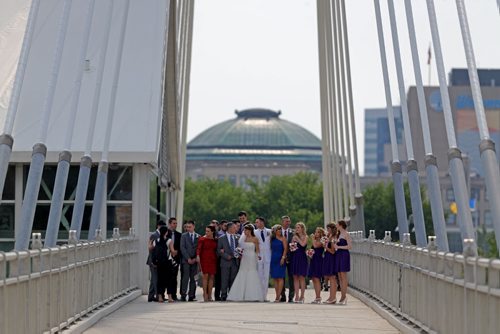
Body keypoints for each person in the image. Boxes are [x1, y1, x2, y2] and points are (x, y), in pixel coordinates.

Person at [227, 224, 264, 302]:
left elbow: (257, 250)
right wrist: (239, 253)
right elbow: (240, 248)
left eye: (246, 230)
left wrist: (257, 257)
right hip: (244, 258)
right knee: (242, 272)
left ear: (250, 230)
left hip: (252, 257)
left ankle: (252, 295)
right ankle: (239, 294)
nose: (244, 231)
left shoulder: (255, 239)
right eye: (244, 230)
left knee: (252, 273)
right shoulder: (243, 239)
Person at [151, 226, 177, 303]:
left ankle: (160, 297)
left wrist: (149, 243)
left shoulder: (156, 241)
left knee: (160, 279)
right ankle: (169, 297)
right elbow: (172, 252)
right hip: (167, 262)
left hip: (159, 263)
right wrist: (175, 252)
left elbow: (151, 249)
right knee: (169, 280)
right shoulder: (169, 240)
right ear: (166, 232)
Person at [217, 222, 240, 301]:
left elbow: (239, 248)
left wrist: (238, 254)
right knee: (224, 279)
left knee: (233, 279)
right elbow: (218, 250)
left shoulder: (238, 237)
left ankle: (232, 294)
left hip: (235, 261)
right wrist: (226, 256)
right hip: (225, 262)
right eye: (234, 228)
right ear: (230, 228)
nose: (236, 229)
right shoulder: (221, 238)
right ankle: (223, 294)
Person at [196, 225, 218, 302]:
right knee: (205, 277)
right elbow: (198, 248)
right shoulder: (202, 239)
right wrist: (198, 255)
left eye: (208, 231)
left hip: (213, 259)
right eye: (206, 231)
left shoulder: (215, 240)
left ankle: (210, 295)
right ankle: (205, 294)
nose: (206, 232)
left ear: (212, 232)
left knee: (212, 277)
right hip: (204, 259)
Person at [180, 220, 199, 302]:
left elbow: (199, 249)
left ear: (194, 227)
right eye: (187, 227)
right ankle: (183, 295)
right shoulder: (183, 236)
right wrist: (188, 258)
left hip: (194, 261)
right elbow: (182, 248)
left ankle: (191, 295)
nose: (188, 228)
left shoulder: (198, 236)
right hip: (186, 260)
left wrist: (194, 259)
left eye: (190, 227)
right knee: (185, 278)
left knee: (193, 279)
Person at [147, 220, 166, 302]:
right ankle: (158, 296)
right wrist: (152, 261)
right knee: (156, 279)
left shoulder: (161, 235)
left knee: (153, 279)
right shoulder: (154, 235)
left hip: (158, 260)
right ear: (158, 226)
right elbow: (151, 250)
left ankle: (151, 296)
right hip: (153, 260)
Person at [334, 220, 351, 305]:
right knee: (339, 275)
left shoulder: (346, 234)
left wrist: (339, 246)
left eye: (337, 224)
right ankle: (342, 295)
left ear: (341, 225)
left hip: (344, 255)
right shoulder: (338, 234)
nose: (336, 225)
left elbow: (349, 246)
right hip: (338, 254)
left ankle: (344, 296)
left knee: (343, 275)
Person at [270, 224, 288, 302]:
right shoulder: (272, 239)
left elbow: (285, 249)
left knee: (280, 277)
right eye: (278, 229)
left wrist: (283, 258)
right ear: (275, 231)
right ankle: (276, 295)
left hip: (281, 259)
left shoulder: (283, 238)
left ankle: (278, 296)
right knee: (275, 278)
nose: (280, 231)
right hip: (273, 259)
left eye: (280, 229)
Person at [291, 222, 308, 303]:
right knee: (295, 277)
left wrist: (298, 239)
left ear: (302, 228)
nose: (296, 229)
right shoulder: (294, 237)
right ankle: (296, 295)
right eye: (296, 227)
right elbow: (292, 248)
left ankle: (302, 296)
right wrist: (292, 244)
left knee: (302, 277)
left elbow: (303, 244)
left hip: (302, 257)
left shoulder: (305, 236)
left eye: (298, 227)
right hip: (295, 257)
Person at [308, 227, 326, 304]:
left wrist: (312, 239)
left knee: (317, 278)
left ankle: (318, 297)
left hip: (319, 260)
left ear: (321, 233)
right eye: (316, 232)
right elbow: (313, 248)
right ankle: (317, 296)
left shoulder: (322, 240)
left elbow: (316, 246)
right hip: (313, 260)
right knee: (314, 278)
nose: (316, 233)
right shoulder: (315, 240)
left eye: (318, 232)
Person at [280, 215, 294, 302]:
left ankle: (291, 296)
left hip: (291, 258)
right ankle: (282, 295)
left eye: (289, 221)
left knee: (291, 277)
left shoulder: (293, 232)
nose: (288, 223)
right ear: (282, 222)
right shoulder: (277, 231)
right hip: (280, 257)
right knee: (281, 276)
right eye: (286, 221)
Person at [323, 222, 338, 304]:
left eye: (328, 228)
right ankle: (330, 297)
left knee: (332, 278)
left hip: (331, 258)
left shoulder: (333, 237)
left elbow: (332, 251)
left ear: (332, 229)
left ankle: (333, 297)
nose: (327, 230)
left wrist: (325, 247)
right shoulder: (329, 236)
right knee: (329, 278)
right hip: (327, 257)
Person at [168, 217, 182, 301]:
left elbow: (181, 246)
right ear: (169, 224)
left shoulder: (179, 235)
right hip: (167, 258)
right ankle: (164, 294)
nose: (175, 225)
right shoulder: (166, 233)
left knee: (174, 276)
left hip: (176, 258)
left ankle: (174, 294)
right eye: (174, 223)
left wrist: (176, 251)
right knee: (167, 277)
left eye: (176, 223)